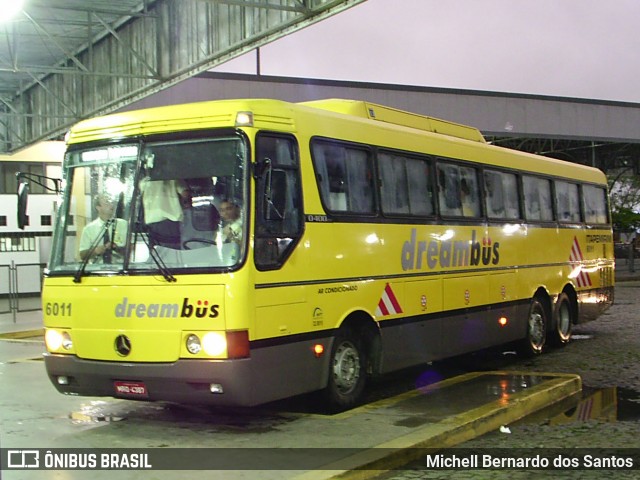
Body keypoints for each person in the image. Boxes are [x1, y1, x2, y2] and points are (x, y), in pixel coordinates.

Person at [79, 194, 128, 262]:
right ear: (98, 207)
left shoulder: (124, 225)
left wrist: (116, 248)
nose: (111, 205)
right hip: (96, 270)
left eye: (112, 202)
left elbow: (132, 249)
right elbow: (82, 255)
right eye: (107, 202)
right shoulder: (88, 229)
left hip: (120, 269)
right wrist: (96, 251)